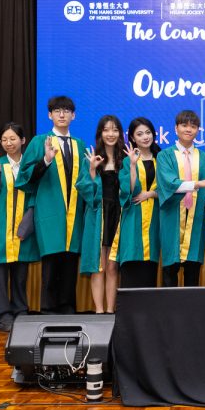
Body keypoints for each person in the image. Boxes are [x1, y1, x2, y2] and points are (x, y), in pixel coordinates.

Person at [16, 96, 93, 315]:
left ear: (73, 115)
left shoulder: (79, 144)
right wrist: (46, 160)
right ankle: (49, 311)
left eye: (67, 111)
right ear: (50, 115)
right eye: (57, 111)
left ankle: (68, 309)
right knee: (51, 265)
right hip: (50, 214)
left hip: (74, 214)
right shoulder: (40, 142)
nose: (62, 114)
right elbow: (24, 177)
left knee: (70, 264)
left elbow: (85, 181)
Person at [0, 123, 38, 332]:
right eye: (4, 139)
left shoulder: (31, 167)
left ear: (23, 141)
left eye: (13, 138)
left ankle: (21, 311)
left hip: (23, 228)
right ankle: (2, 315)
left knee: (20, 275)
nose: (8, 143)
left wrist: (28, 224)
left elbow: (36, 196)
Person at [155, 109, 205, 287]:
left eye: (193, 126)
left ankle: (191, 313)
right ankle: (169, 313)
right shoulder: (165, 156)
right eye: (184, 125)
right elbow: (170, 184)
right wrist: (199, 183)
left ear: (198, 130)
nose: (188, 129)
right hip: (172, 218)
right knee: (170, 269)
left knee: (193, 270)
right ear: (176, 128)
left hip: (196, 221)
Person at [80, 115, 124, 313]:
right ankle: (98, 311)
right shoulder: (90, 157)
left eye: (115, 130)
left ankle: (110, 310)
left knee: (113, 266)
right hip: (98, 215)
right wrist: (91, 170)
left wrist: (132, 165)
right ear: (100, 133)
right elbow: (86, 192)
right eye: (106, 130)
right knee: (98, 265)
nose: (110, 134)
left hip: (119, 215)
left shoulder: (126, 157)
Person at [111, 117, 162, 288]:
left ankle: (149, 312)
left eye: (148, 132)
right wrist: (133, 165)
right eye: (139, 134)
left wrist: (150, 194)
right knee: (132, 258)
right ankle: (130, 312)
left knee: (150, 263)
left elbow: (170, 187)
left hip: (155, 217)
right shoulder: (127, 161)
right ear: (132, 138)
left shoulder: (161, 159)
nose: (145, 137)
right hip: (134, 216)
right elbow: (129, 190)